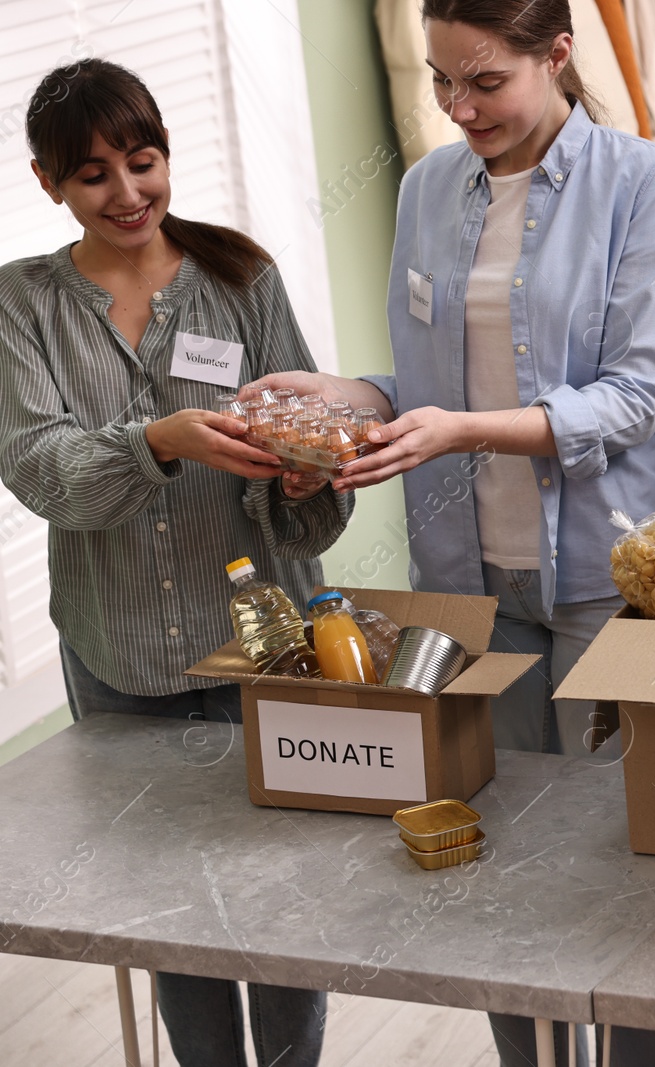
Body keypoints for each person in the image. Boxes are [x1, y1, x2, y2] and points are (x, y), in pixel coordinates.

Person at [249, 2, 655, 1062]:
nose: (459, 108)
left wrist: (454, 428)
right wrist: (351, 389)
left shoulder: (641, 183)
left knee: (631, 867)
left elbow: (635, 395)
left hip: (604, 572)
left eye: (486, 81)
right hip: (465, 583)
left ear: (558, 54)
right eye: (442, 81)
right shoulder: (424, 189)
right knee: (499, 858)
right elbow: (436, 388)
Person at [0, 59, 352, 1067]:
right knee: (171, 908)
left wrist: (302, 477)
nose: (126, 194)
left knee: (283, 896)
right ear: (47, 184)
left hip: (263, 649)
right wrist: (160, 439)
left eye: (142, 162)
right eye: (92, 175)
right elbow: (41, 469)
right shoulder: (22, 304)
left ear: (166, 156)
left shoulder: (242, 281)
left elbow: (312, 486)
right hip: (120, 653)